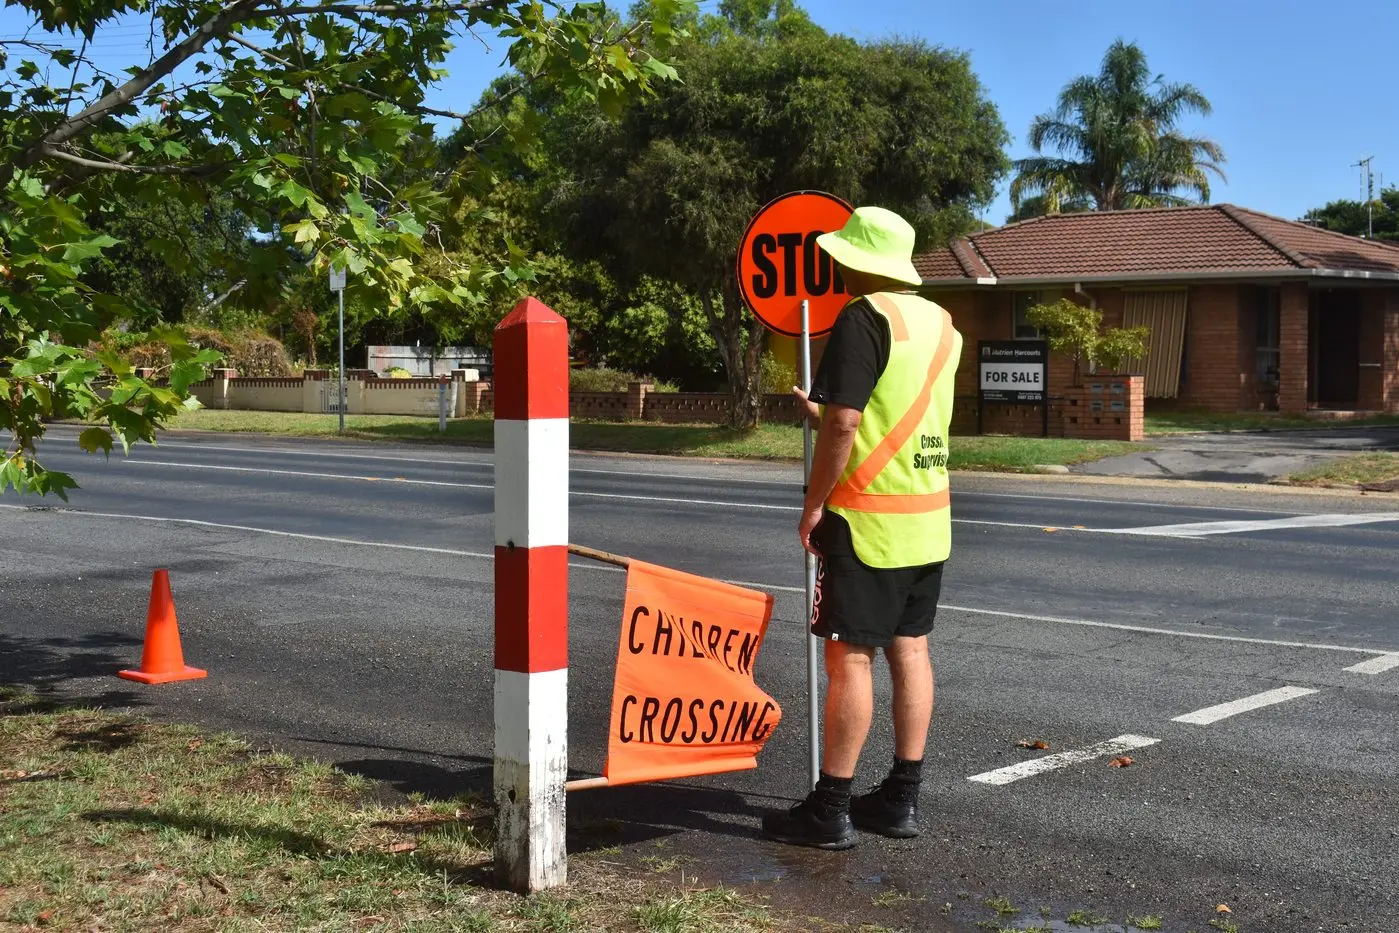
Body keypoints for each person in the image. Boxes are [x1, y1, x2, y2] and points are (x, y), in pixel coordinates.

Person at [761, 206, 962, 850]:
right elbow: (891, 419)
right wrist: (825, 416)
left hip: (868, 519)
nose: (833, 262)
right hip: (927, 517)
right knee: (912, 650)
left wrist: (814, 504)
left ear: (855, 260)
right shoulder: (942, 326)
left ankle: (830, 807)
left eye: (838, 254)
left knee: (849, 657)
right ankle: (901, 797)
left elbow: (848, 425)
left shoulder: (861, 316)